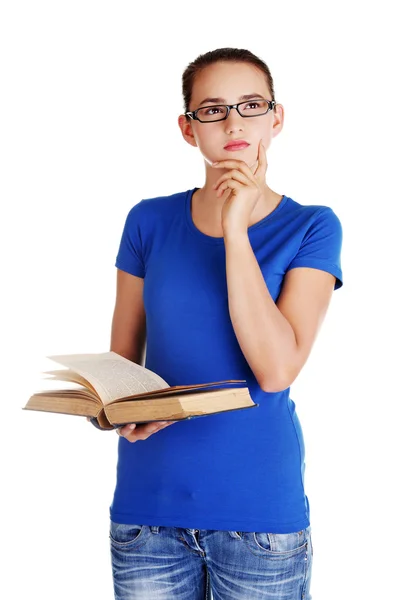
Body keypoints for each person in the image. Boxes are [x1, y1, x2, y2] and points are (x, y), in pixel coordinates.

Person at [105, 47, 343, 600]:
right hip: (147, 512)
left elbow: (277, 369)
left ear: (276, 118)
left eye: (251, 105)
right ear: (188, 130)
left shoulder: (313, 227)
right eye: (212, 110)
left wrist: (236, 231)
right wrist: (114, 413)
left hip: (258, 517)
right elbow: (120, 366)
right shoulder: (148, 221)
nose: (234, 122)